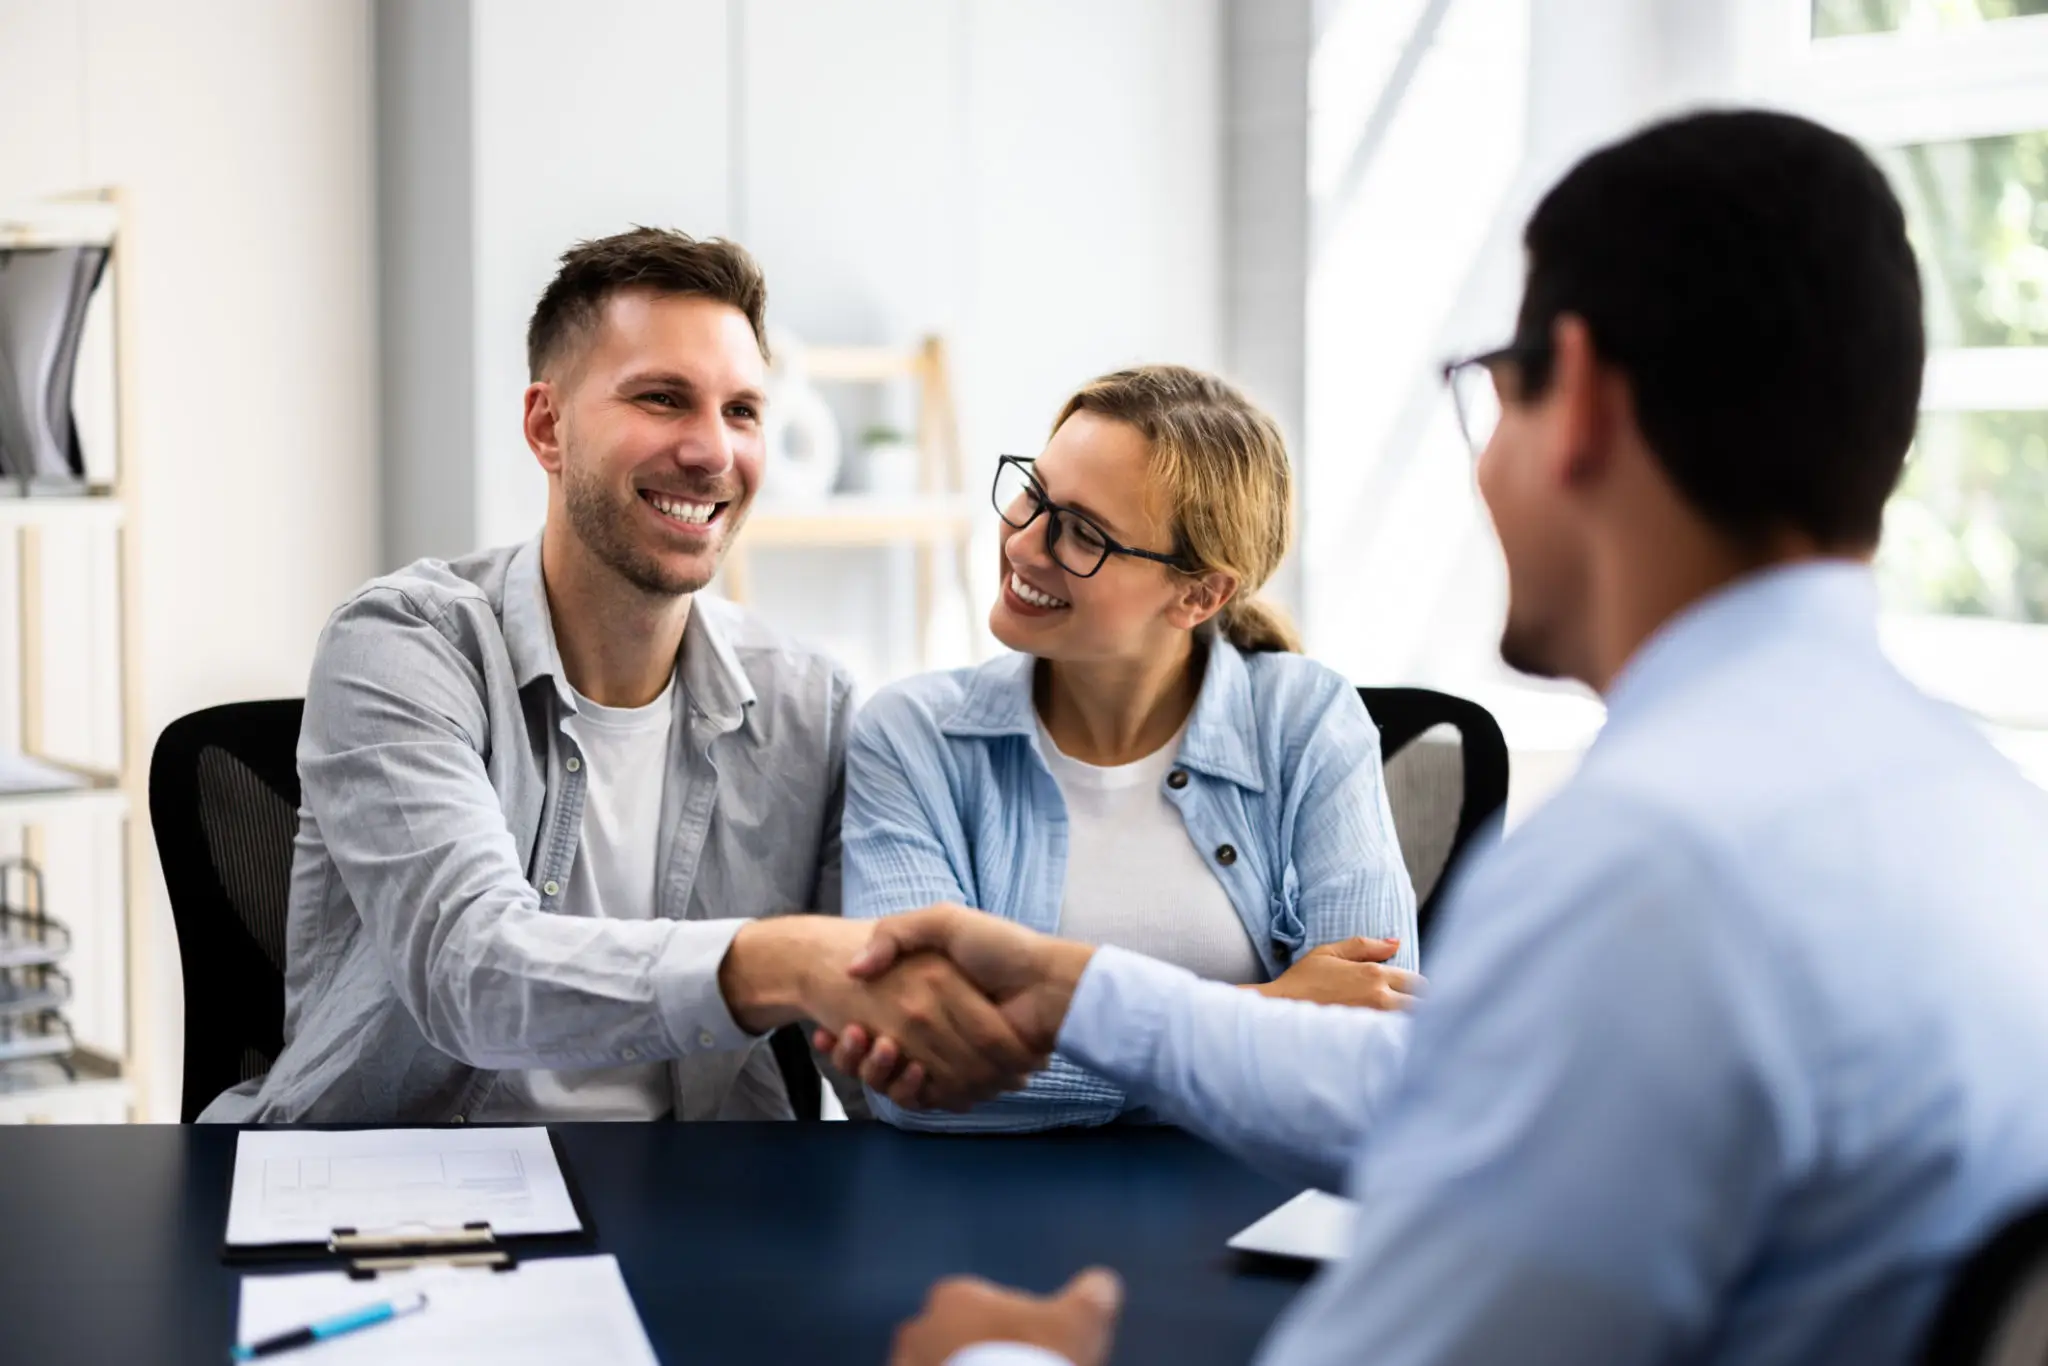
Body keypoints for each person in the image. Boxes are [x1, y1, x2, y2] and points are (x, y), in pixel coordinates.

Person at [826, 110, 2048, 1365]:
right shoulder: (1982, 811)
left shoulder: (1649, 870)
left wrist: (1008, 1357)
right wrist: (1081, 995)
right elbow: (1440, 1094)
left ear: (1572, 400)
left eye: (1489, 389)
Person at [199, 228, 1040, 1124]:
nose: (713, 452)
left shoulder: (809, 704)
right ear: (546, 426)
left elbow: (881, 1066)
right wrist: (780, 962)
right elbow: (470, 971)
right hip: (411, 1201)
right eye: (663, 399)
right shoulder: (403, 645)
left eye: (744, 411)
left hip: (702, 1211)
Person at [841, 365, 1419, 1131]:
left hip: (1249, 1217)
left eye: (1083, 533)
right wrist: (1271, 1011)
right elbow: (913, 1071)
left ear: (1200, 594)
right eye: (1033, 494)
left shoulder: (1308, 721)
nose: (1024, 542)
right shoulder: (912, 737)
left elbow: (1372, 1055)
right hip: (985, 1214)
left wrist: (1053, 1049)